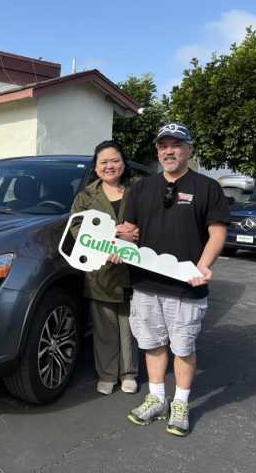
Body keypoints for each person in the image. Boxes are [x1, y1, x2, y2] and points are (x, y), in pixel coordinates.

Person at [120, 122, 230, 437]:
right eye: (163, 145)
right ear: (158, 151)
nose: (169, 151)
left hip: (186, 286)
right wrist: (117, 245)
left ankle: (180, 402)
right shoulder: (141, 188)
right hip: (145, 283)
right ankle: (157, 398)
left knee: (183, 347)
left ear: (189, 149)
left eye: (176, 145)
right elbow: (130, 231)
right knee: (152, 344)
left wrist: (202, 267)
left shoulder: (207, 188)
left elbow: (217, 233)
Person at [70, 140, 139, 395]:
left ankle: (129, 373)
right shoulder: (86, 196)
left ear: (123, 163)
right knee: (104, 328)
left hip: (135, 269)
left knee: (130, 327)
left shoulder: (138, 188)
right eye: (104, 162)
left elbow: (155, 217)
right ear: (96, 166)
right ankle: (108, 374)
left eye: (115, 161)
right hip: (101, 271)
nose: (110, 166)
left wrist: (135, 234)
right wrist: (109, 241)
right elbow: (77, 228)